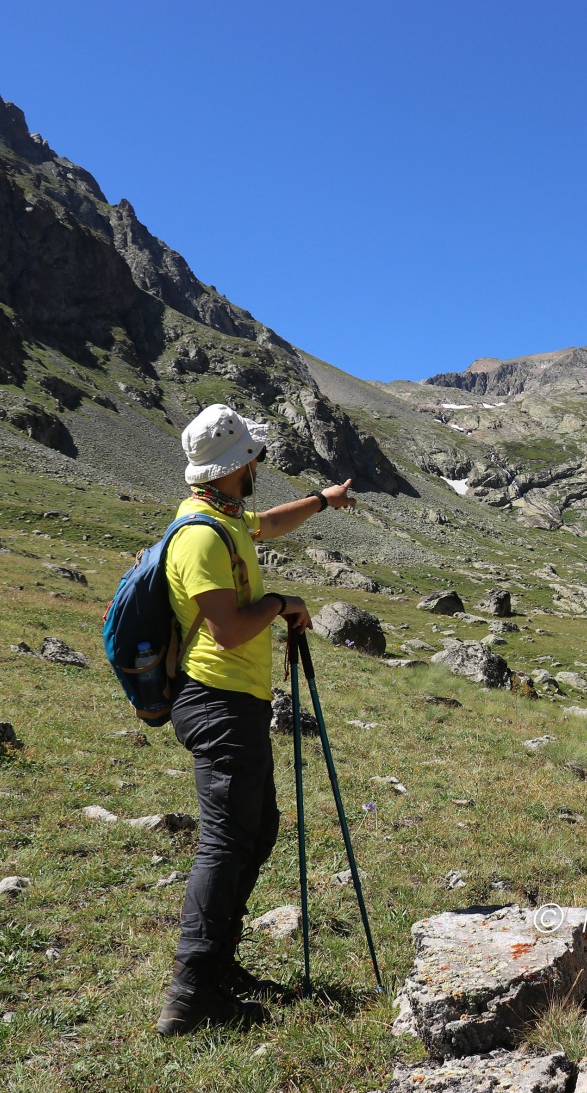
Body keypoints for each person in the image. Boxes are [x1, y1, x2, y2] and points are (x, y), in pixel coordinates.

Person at [156, 403, 356, 1035]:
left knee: (258, 828)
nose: (260, 464)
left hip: (235, 702)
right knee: (225, 841)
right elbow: (229, 629)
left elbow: (264, 524)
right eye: (254, 456)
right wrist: (280, 602)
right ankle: (191, 993)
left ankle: (219, 965)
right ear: (237, 464)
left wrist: (322, 501)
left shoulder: (226, 518)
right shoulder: (198, 537)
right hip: (216, 702)